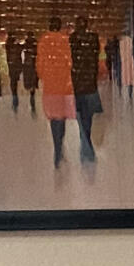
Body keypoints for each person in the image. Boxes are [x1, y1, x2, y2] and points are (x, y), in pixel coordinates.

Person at [38, 18, 74, 170]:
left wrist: (44, 77)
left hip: (51, 86)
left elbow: (40, 64)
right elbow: (70, 62)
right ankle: (60, 146)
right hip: (64, 84)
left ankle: (57, 147)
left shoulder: (42, 42)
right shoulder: (65, 41)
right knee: (62, 117)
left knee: (54, 117)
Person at [68, 17, 103, 164]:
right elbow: (96, 57)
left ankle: (86, 146)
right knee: (87, 117)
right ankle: (86, 144)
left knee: (80, 116)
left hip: (77, 84)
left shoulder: (72, 40)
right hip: (90, 83)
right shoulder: (93, 39)